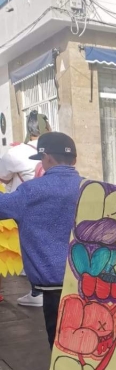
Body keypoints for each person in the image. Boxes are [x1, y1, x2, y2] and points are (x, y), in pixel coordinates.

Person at [0, 132, 82, 347]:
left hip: (52, 287)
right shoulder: (92, 189)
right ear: (74, 160)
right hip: (88, 282)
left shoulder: (30, 192)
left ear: (46, 159)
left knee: (59, 347)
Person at [0, 112, 49, 307]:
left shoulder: (16, 152)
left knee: (31, 247)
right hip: (52, 201)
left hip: (27, 205)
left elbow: (2, 177)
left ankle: (37, 292)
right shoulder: (55, 148)